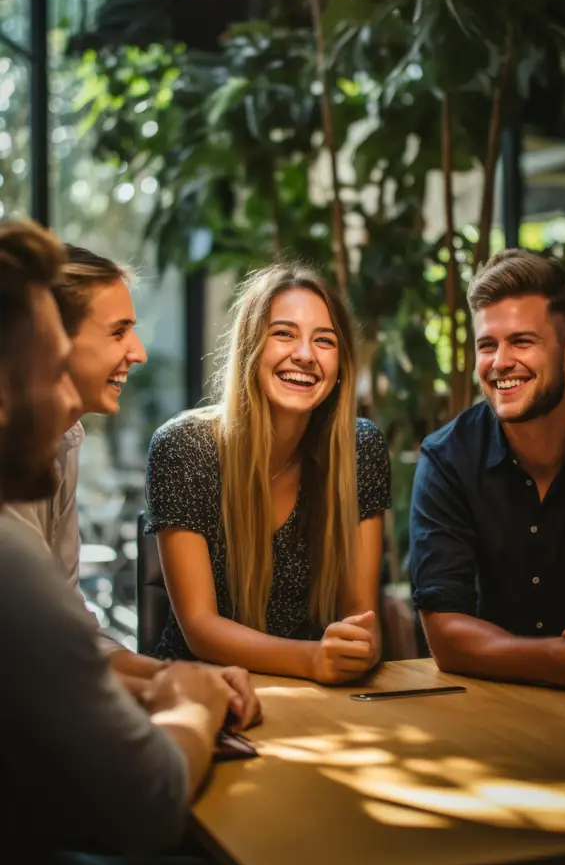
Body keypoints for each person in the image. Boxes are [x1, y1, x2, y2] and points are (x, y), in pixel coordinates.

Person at [0, 219, 262, 865]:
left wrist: (167, 679)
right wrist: (191, 699)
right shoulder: (7, 554)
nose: (139, 353)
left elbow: (66, 640)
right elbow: (147, 802)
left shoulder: (59, 449)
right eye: (46, 368)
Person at [146, 263, 391, 682]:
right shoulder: (184, 447)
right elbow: (200, 628)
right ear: (249, 348)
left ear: (341, 367)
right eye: (284, 333)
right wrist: (313, 660)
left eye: (325, 341)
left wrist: (360, 647)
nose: (305, 355)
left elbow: (360, 614)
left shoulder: (359, 448)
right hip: (204, 691)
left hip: (319, 695)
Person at [410, 247, 565, 694]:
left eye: (521, 341)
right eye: (487, 345)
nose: (499, 362)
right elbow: (446, 635)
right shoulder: (447, 460)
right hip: (487, 708)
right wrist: (564, 657)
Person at [1, 243, 168, 691]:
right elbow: (42, 658)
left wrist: (168, 675)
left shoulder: (66, 440)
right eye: (118, 332)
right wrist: (179, 698)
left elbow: (70, 628)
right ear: (50, 342)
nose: (139, 353)